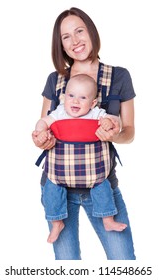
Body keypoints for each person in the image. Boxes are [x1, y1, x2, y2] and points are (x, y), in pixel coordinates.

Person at [32, 7, 136, 260]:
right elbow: (42, 127)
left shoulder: (119, 76)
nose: (75, 40)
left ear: (91, 31)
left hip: (101, 185)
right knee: (67, 265)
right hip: (57, 187)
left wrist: (113, 134)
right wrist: (40, 139)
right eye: (66, 36)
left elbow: (130, 131)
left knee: (123, 263)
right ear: (61, 46)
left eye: (79, 31)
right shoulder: (54, 80)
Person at [34, 74, 127, 243]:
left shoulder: (96, 113)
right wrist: (40, 132)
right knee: (51, 189)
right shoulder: (60, 112)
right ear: (64, 97)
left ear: (92, 103)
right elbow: (43, 121)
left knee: (103, 187)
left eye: (82, 97)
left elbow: (114, 121)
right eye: (71, 96)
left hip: (94, 174)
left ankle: (108, 220)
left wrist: (108, 122)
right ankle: (56, 222)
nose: (75, 101)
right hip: (60, 174)